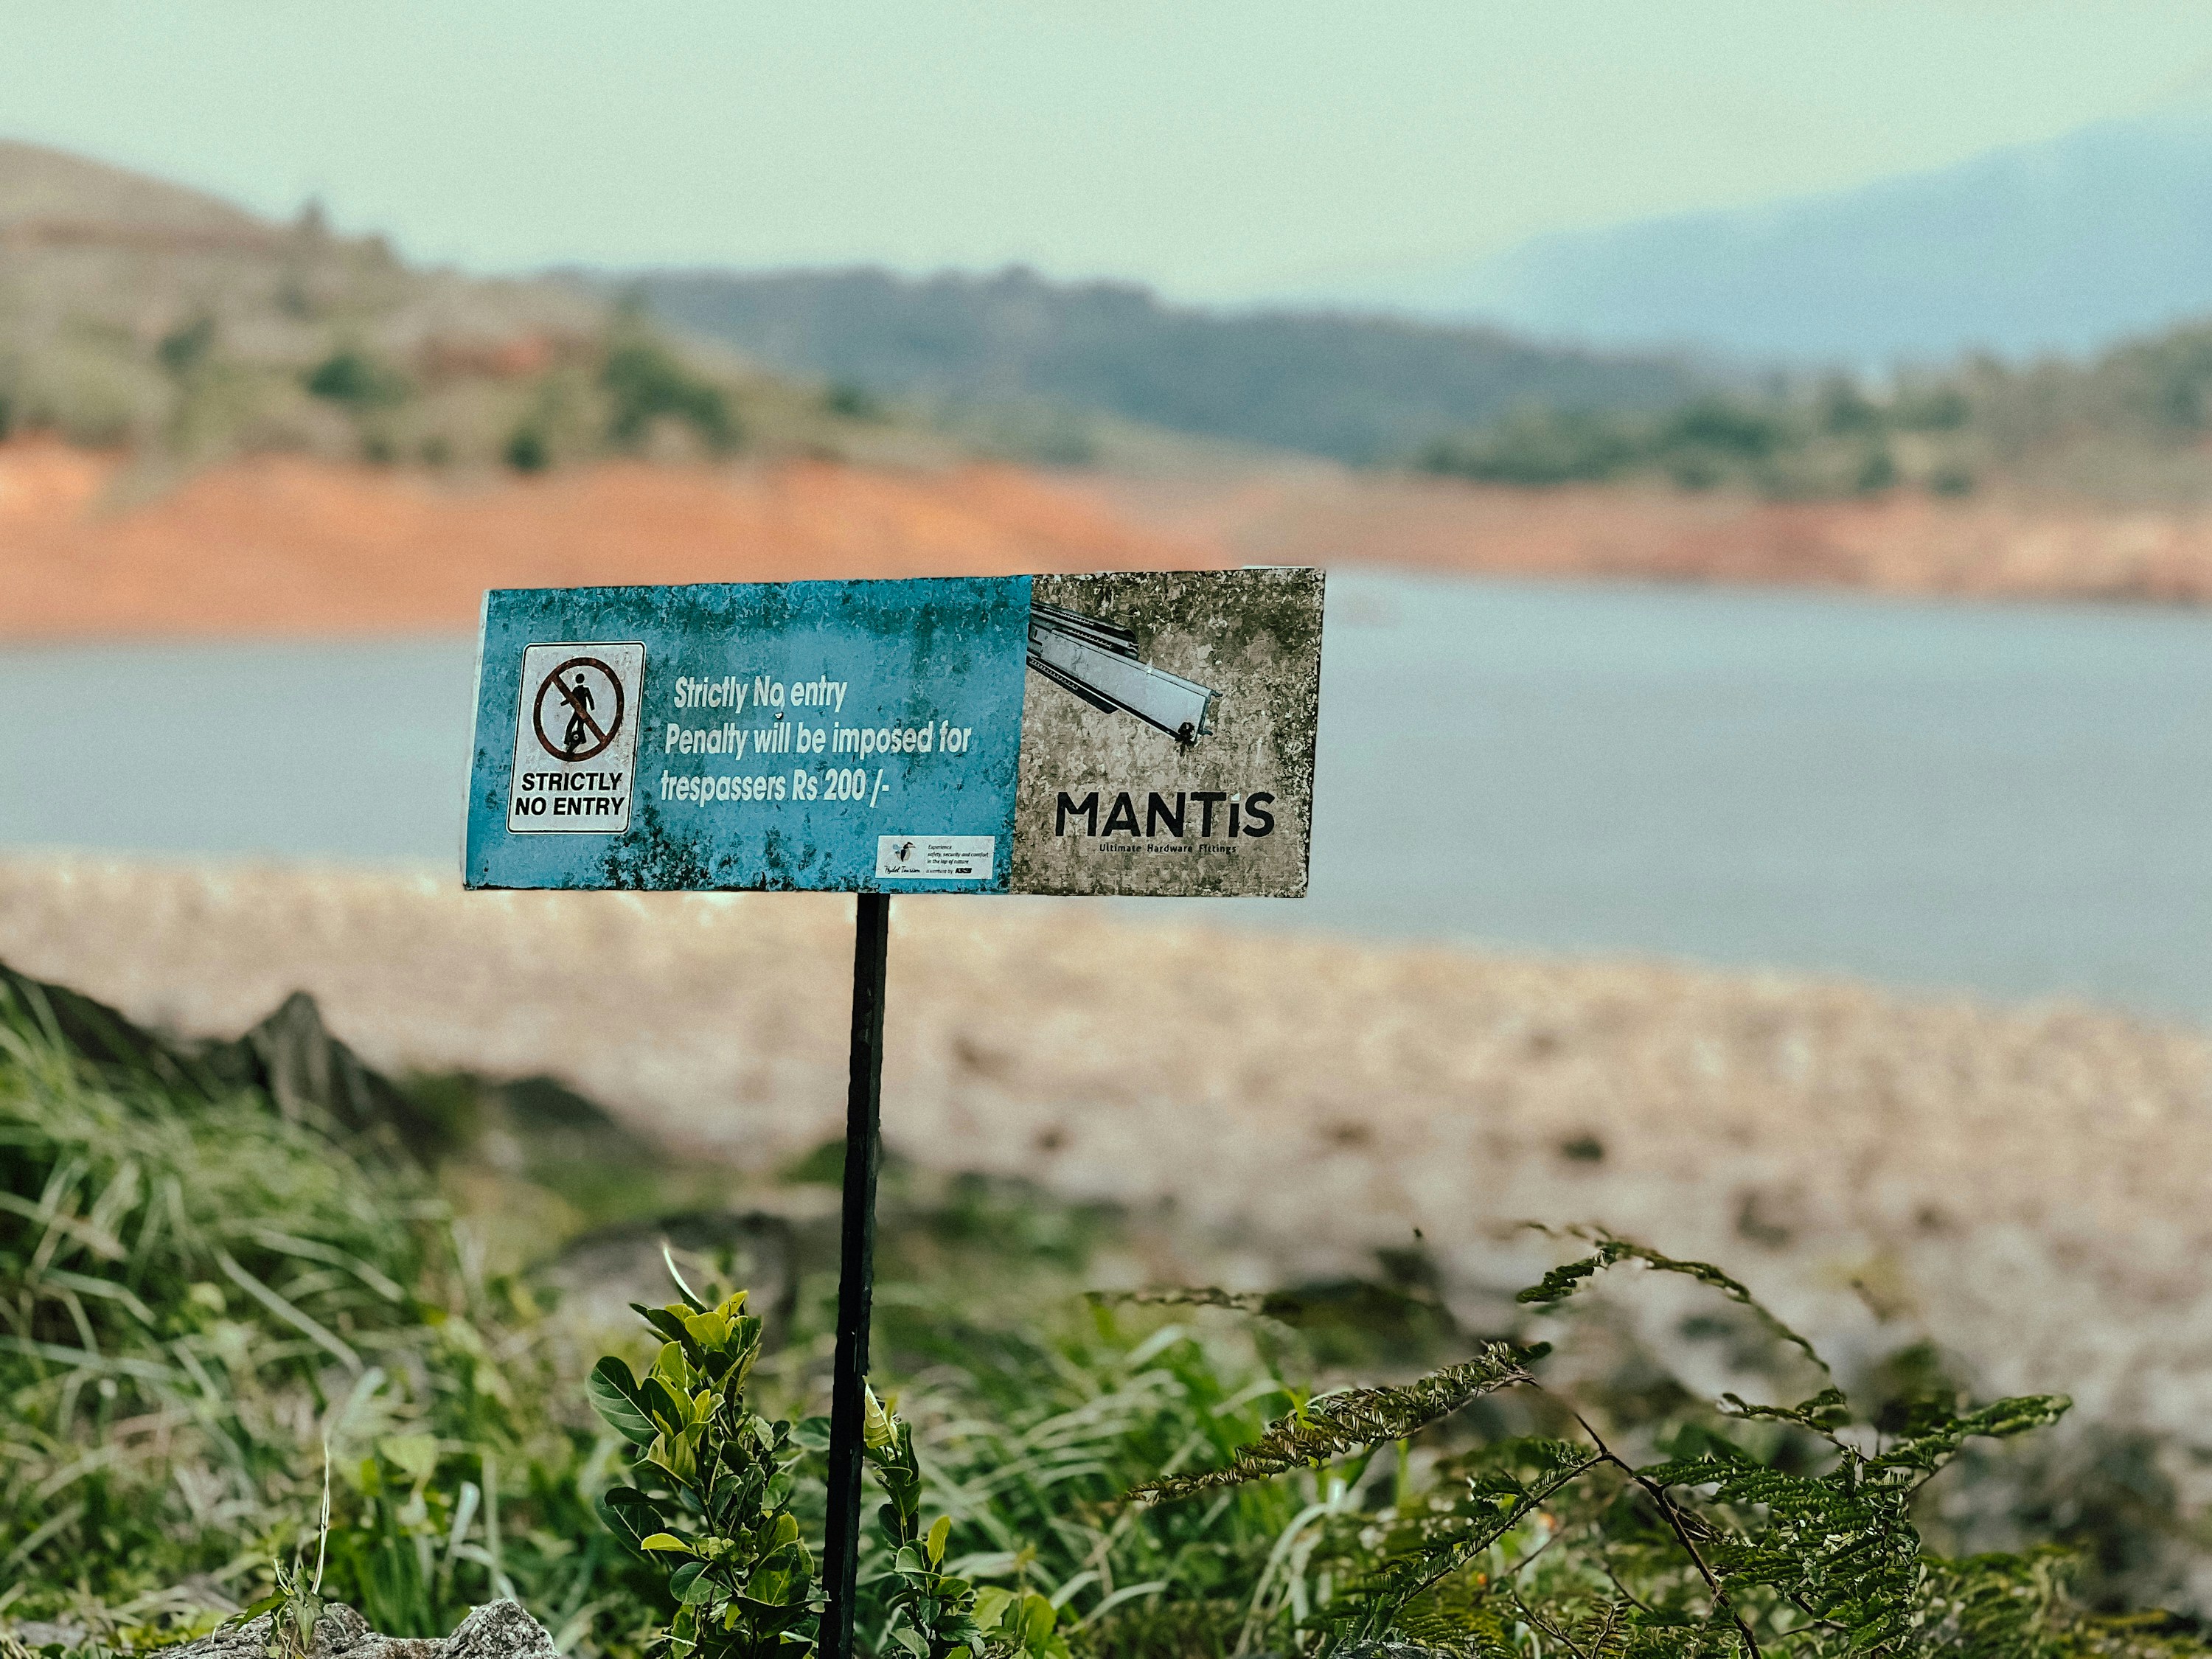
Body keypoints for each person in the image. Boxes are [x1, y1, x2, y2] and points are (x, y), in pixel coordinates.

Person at [563, 674, 595, 757]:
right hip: (580, 711)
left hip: (580, 711)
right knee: (578, 727)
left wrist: (592, 708)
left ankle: (570, 741)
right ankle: (580, 740)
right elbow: (571, 698)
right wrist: (563, 703)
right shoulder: (581, 690)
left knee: (574, 726)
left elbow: (570, 699)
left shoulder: (580, 690)